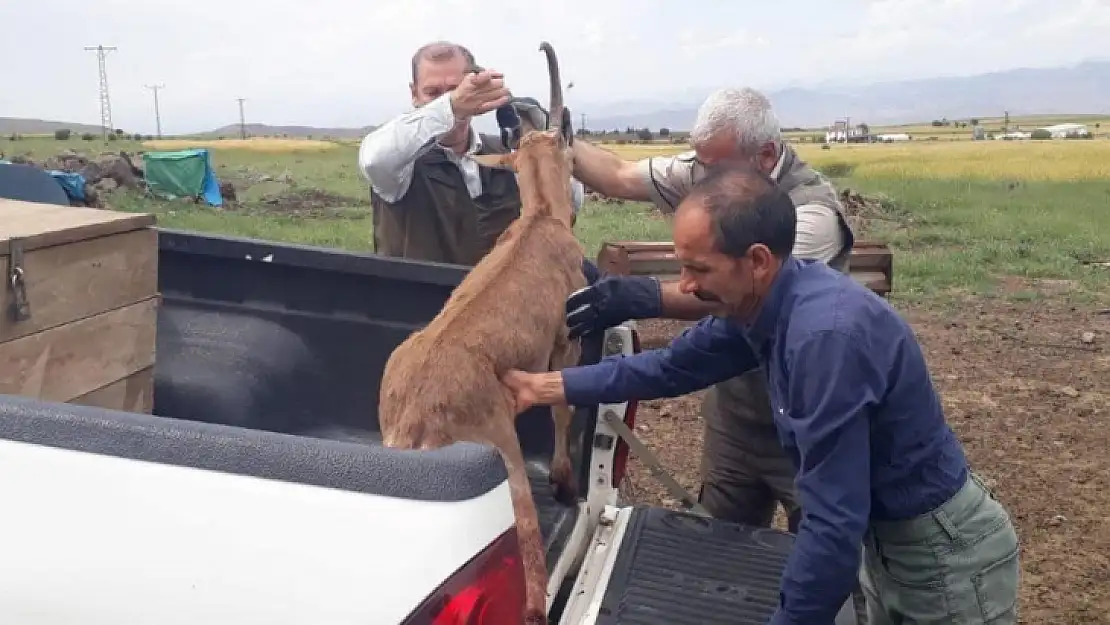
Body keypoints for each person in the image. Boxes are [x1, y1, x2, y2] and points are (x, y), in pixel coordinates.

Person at [501, 166, 1021, 625]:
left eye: (699, 269)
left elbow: (833, 520)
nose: (685, 286)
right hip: (889, 545)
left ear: (756, 260)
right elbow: (671, 366)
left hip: (939, 559)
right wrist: (549, 386)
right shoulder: (762, 304)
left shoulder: (824, 341)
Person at [566, 87, 854, 532]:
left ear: (765, 155)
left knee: (821, 545)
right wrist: (559, 135)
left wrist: (644, 295)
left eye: (715, 166)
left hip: (806, 423)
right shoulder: (715, 171)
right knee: (720, 541)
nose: (703, 177)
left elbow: (733, 294)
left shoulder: (811, 216)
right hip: (736, 414)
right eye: (699, 164)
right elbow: (619, 176)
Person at [358, 40, 585, 267]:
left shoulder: (508, 154)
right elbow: (373, 160)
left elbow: (571, 201)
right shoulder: (399, 167)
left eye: (455, 90)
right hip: (418, 299)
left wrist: (544, 152)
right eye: (432, 93)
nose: (449, 99)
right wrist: (451, 107)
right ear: (414, 94)